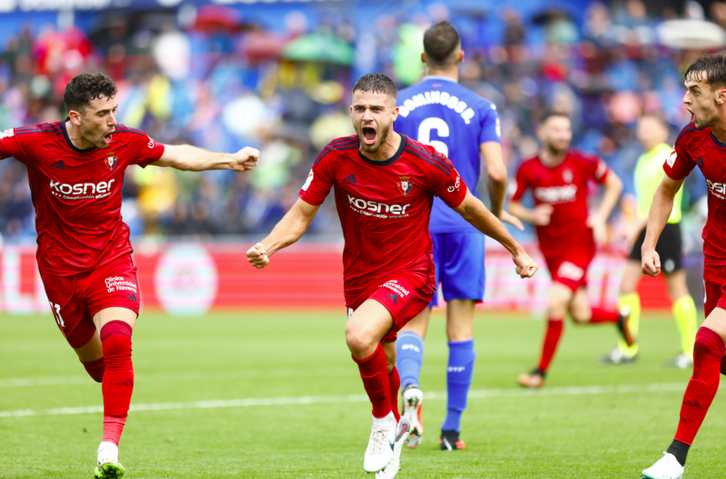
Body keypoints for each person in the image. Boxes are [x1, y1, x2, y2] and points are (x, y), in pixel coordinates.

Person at [246, 72, 538, 478]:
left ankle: (383, 423)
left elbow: (472, 208)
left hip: (412, 272)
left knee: (358, 336)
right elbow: (299, 216)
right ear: (351, 112)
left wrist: (516, 249)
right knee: (379, 357)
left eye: (376, 109)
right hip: (360, 278)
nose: (368, 116)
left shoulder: (425, 162)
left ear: (394, 114)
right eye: (360, 108)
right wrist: (268, 246)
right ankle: (399, 425)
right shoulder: (335, 156)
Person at [0, 72, 259, 479]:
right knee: (100, 367)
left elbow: (176, 155)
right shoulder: (35, 142)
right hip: (59, 273)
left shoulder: (124, 141)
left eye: (114, 110)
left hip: (111, 260)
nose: (112, 121)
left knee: (118, 340)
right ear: (74, 117)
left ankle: (108, 448)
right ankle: (115, 394)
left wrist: (228, 160)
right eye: (102, 114)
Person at [392, 21, 523, 451]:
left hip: (412, 224)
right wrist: (496, 213)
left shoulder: (400, 103)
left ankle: (410, 392)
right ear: (461, 56)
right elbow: (499, 172)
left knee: (413, 320)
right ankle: (451, 431)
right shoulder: (482, 105)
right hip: (465, 223)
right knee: (461, 326)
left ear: (422, 58)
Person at [642, 51, 726, 479]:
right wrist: (649, 242)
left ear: (722, 95)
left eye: (694, 91)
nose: (685, 100)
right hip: (717, 256)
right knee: (722, 359)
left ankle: (675, 458)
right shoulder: (693, 137)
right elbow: (666, 190)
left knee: (708, 343)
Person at [509, 112, 634, 389]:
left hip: (580, 246)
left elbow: (614, 184)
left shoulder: (582, 161)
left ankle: (538, 374)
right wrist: (531, 215)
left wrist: (600, 216)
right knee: (581, 314)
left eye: (566, 130)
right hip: (551, 250)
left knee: (555, 302)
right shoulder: (528, 168)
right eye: (556, 130)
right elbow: (513, 205)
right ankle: (617, 317)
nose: (563, 135)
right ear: (542, 133)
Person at [601, 115, 698, 368]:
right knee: (626, 285)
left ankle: (690, 352)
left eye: (650, 127)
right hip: (645, 228)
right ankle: (628, 347)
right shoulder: (643, 159)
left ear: (663, 131)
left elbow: (661, 200)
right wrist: (629, 221)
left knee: (677, 289)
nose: (643, 132)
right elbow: (642, 201)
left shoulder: (667, 156)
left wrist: (633, 226)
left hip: (666, 227)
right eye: (641, 127)